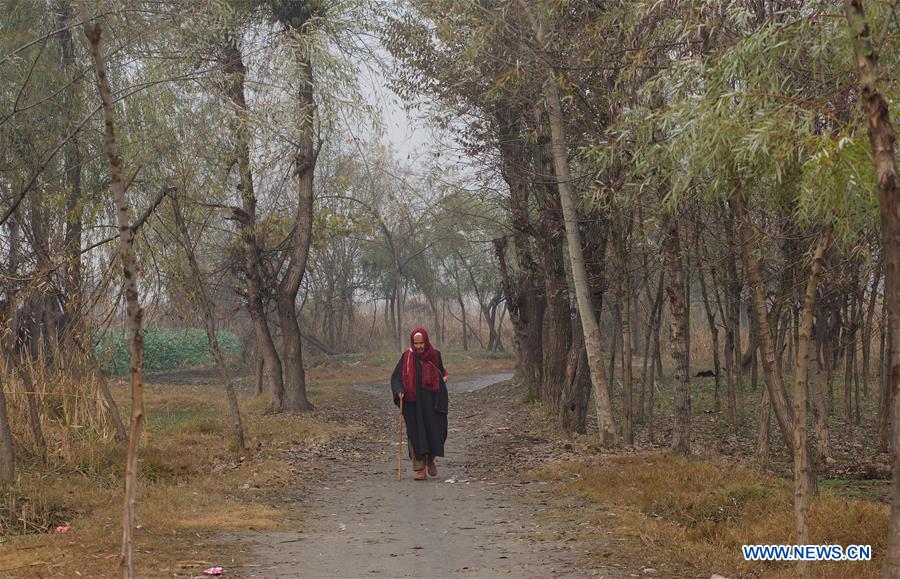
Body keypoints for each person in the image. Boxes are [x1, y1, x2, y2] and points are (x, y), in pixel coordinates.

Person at [390, 327, 449, 480]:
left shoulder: (435, 355)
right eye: (416, 343)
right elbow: (396, 377)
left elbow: (441, 372)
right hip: (413, 404)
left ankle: (430, 459)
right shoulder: (407, 357)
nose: (419, 346)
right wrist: (399, 390)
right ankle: (419, 468)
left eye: (421, 343)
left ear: (426, 341)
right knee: (415, 434)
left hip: (432, 403)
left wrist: (443, 378)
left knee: (436, 432)